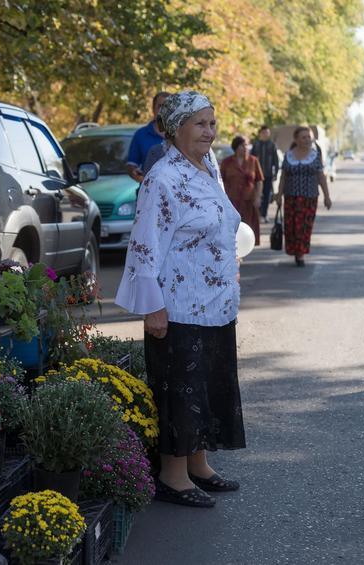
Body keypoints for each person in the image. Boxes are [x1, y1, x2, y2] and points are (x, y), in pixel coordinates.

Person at [115, 91, 246, 508]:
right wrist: (152, 305)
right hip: (178, 305)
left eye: (212, 122)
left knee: (207, 384)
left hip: (216, 300)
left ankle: (198, 464)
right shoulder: (162, 178)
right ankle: (172, 475)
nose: (209, 131)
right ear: (176, 128)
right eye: (200, 124)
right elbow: (145, 244)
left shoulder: (208, 168)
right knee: (181, 389)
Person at [274, 126, 332, 267]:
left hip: (309, 198)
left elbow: (321, 177)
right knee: (291, 227)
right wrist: (279, 195)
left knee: (304, 227)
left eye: (308, 137)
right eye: (304, 137)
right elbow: (283, 177)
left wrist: (327, 196)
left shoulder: (314, 155)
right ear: (296, 139)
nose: (307, 140)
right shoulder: (289, 155)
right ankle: (295, 251)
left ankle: (300, 254)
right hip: (291, 198)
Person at [221, 135, 263, 246]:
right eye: (242, 145)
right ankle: (235, 250)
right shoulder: (227, 162)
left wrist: (258, 197)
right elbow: (220, 181)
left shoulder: (253, 161)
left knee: (248, 227)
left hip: (249, 200)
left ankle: (244, 247)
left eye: (246, 145)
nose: (245, 147)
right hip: (232, 201)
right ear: (236, 147)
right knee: (233, 227)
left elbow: (259, 180)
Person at [126, 92, 170, 182]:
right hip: (148, 191)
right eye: (160, 106)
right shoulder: (141, 135)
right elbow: (131, 165)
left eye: (168, 107)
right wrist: (136, 175)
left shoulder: (181, 135)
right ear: (153, 109)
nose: (164, 110)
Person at [250, 125, 279, 223]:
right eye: (264, 133)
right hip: (256, 175)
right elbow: (251, 159)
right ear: (260, 134)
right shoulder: (256, 144)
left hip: (268, 174)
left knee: (266, 195)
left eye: (267, 133)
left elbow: (276, 160)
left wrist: (276, 173)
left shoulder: (272, 145)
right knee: (257, 194)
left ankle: (264, 214)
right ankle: (257, 214)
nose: (266, 135)